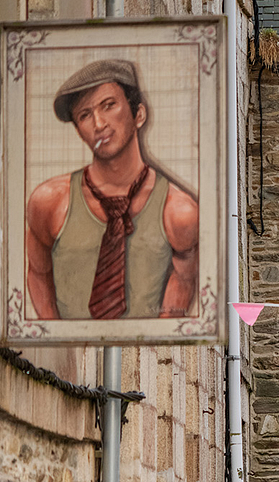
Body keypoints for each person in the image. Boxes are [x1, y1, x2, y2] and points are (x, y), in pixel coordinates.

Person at [24, 59, 199, 320]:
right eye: (84, 115)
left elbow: (184, 281)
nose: (98, 123)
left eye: (109, 105)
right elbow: (38, 273)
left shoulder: (179, 211)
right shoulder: (49, 201)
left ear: (138, 114)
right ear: (79, 131)